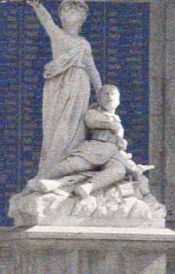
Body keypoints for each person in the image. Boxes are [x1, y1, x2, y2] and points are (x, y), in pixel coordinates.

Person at [10, 0, 102, 178]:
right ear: (61, 15)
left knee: (75, 127)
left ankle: (70, 168)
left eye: (76, 12)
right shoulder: (57, 35)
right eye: (68, 11)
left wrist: (101, 92)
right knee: (56, 127)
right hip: (58, 85)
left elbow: (92, 69)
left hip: (79, 85)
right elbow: (46, 21)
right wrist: (37, 5)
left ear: (83, 18)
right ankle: (54, 167)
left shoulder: (84, 44)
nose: (71, 16)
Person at [26, 84, 156, 201]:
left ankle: (87, 187)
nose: (109, 96)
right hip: (95, 149)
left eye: (113, 93)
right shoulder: (93, 113)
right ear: (99, 99)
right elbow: (91, 121)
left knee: (118, 171)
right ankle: (36, 181)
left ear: (118, 100)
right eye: (105, 94)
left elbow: (118, 143)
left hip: (112, 153)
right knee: (70, 166)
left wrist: (130, 161)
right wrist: (111, 126)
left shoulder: (117, 119)